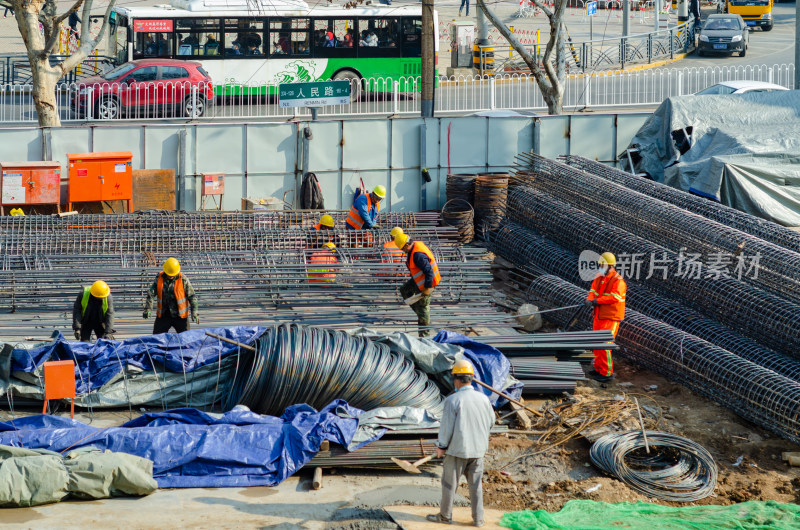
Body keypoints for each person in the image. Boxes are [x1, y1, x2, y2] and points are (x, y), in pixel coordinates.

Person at [427, 360, 494, 527]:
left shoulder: (453, 400)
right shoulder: (484, 399)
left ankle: (445, 516)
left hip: (457, 450)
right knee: (476, 486)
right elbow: (491, 422)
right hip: (478, 450)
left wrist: (441, 446)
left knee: (449, 485)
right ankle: (478, 519)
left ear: (456, 380)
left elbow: (446, 428)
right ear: (470, 378)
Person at [584, 252, 627, 383]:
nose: (600, 267)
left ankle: (607, 373)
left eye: (602, 265)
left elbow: (615, 297)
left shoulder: (618, 281)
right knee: (596, 342)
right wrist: (589, 299)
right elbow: (593, 291)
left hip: (611, 317)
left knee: (605, 344)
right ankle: (598, 368)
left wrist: (597, 301)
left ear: (610, 266)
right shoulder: (600, 277)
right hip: (599, 315)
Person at [394, 230, 441, 337]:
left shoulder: (418, 255)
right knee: (404, 290)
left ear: (407, 245)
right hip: (419, 280)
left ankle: (424, 336)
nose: (403, 251)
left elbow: (429, 271)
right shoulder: (414, 246)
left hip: (428, 282)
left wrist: (427, 288)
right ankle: (421, 314)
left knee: (423, 308)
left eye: (402, 248)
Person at [143, 258, 199, 334]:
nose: (170, 276)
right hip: (164, 315)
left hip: (180, 316)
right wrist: (148, 309)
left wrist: (194, 312)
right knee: (157, 339)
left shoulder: (183, 280)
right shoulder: (159, 278)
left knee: (185, 339)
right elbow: (151, 294)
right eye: (169, 274)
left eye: (172, 275)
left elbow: (192, 297)